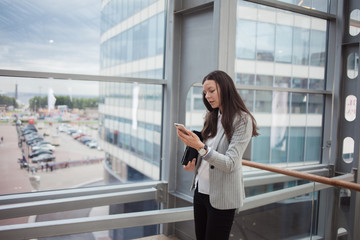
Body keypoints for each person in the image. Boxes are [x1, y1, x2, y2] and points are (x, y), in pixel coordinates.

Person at [176, 70, 259, 240]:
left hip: (223, 196)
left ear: (225, 88)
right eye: (205, 92)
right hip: (201, 191)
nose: (207, 96)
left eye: (211, 91)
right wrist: (193, 160)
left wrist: (199, 147)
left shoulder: (243, 120)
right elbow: (207, 150)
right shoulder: (212, 116)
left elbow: (230, 163)